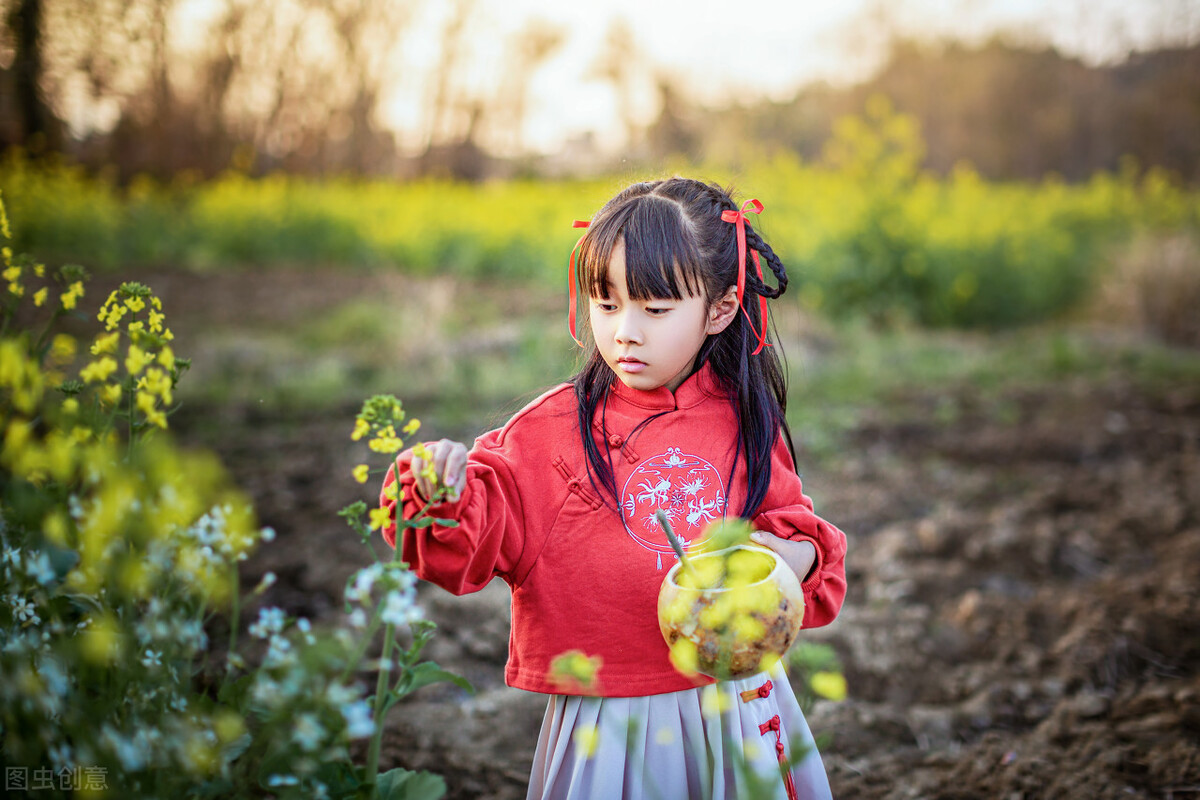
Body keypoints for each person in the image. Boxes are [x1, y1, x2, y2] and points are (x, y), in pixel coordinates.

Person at [380, 177, 847, 799]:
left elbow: (796, 537)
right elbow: (468, 541)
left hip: (733, 706)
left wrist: (781, 559)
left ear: (721, 309)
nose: (626, 330)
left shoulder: (745, 419)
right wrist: (436, 490)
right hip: (610, 722)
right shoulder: (548, 434)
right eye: (606, 303)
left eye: (655, 310)